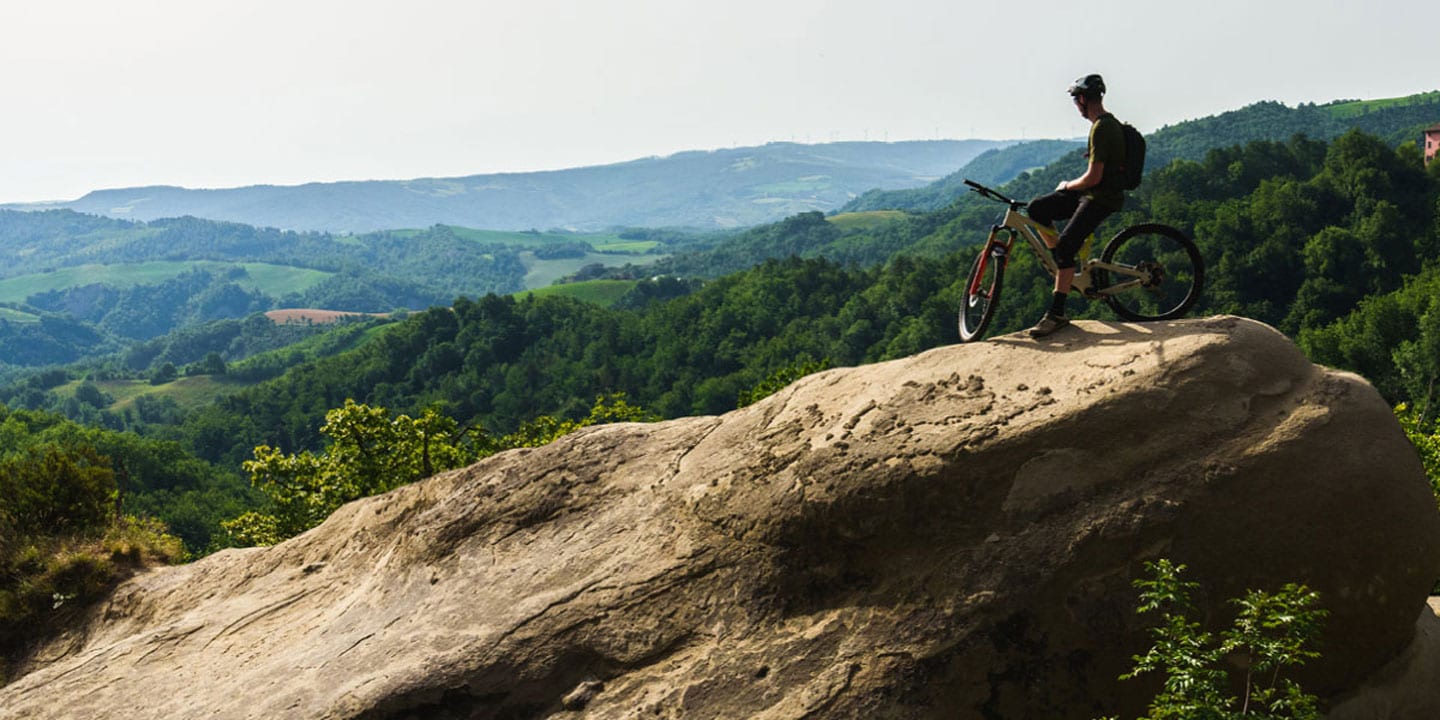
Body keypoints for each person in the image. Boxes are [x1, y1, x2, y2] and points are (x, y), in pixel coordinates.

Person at [1026, 73, 1128, 338]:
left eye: (1076, 101)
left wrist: (1066, 185)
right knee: (1037, 209)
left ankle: (1057, 313)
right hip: (1094, 194)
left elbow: (1093, 178)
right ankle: (1064, 260)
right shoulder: (1105, 125)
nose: (1076, 106)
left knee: (1066, 247)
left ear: (1082, 99)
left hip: (1100, 198)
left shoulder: (1102, 128)